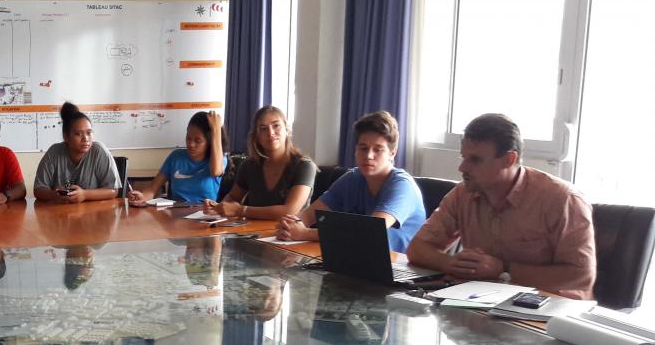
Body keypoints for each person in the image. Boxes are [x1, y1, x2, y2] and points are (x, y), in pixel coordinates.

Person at [407, 113, 596, 299]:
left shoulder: (562, 200)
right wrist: (449, 263)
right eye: (463, 157)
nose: (462, 168)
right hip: (483, 301)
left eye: (475, 160)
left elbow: (582, 277)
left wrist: (503, 269)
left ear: (509, 160)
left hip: (550, 312)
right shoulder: (463, 193)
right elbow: (417, 249)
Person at [276, 110, 425, 252]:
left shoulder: (402, 186)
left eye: (378, 149)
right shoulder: (352, 179)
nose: (369, 156)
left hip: (401, 267)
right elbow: (309, 215)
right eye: (363, 148)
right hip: (360, 258)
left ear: (392, 153)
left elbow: (369, 231)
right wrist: (290, 226)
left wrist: (305, 233)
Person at [206, 105, 316, 220]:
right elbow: (233, 197)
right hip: (250, 233)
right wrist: (217, 207)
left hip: (287, 235)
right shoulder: (249, 165)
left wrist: (241, 210)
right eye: (263, 128)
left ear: (286, 129)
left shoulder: (304, 166)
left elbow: (289, 211)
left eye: (276, 126)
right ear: (257, 136)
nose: (270, 133)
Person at [128, 110, 226, 205]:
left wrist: (216, 130)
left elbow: (216, 171)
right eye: (188, 138)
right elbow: (153, 188)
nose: (191, 144)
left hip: (204, 216)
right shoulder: (176, 157)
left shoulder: (218, 159)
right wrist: (142, 197)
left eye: (198, 141)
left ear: (209, 142)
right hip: (176, 215)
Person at [34, 102, 120, 203]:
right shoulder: (54, 152)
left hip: (92, 213)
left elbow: (113, 190)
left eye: (89, 133)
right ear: (66, 137)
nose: (86, 139)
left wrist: (85, 194)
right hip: (60, 214)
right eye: (78, 134)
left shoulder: (99, 151)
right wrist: (54, 195)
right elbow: (38, 190)